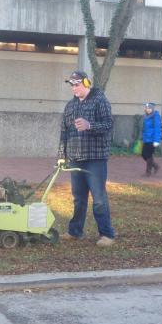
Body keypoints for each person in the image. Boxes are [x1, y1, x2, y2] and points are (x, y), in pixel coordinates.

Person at [58, 70, 116, 247]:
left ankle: (107, 234)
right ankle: (75, 231)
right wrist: (62, 156)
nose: (74, 88)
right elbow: (64, 132)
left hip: (95, 158)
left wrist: (89, 125)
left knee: (98, 198)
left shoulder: (100, 100)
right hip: (76, 158)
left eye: (77, 84)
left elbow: (109, 124)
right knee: (78, 198)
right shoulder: (70, 106)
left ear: (86, 83)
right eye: (71, 85)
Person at [140, 102, 162, 176]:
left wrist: (156, 141)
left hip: (152, 139)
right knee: (143, 154)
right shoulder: (146, 116)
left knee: (148, 155)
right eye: (146, 108)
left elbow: (157, 129)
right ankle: (155, 166)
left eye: (149, 108)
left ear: (152, 109)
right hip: (146, 139)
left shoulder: (156, 116)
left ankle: (148, 172)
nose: (148, 109)